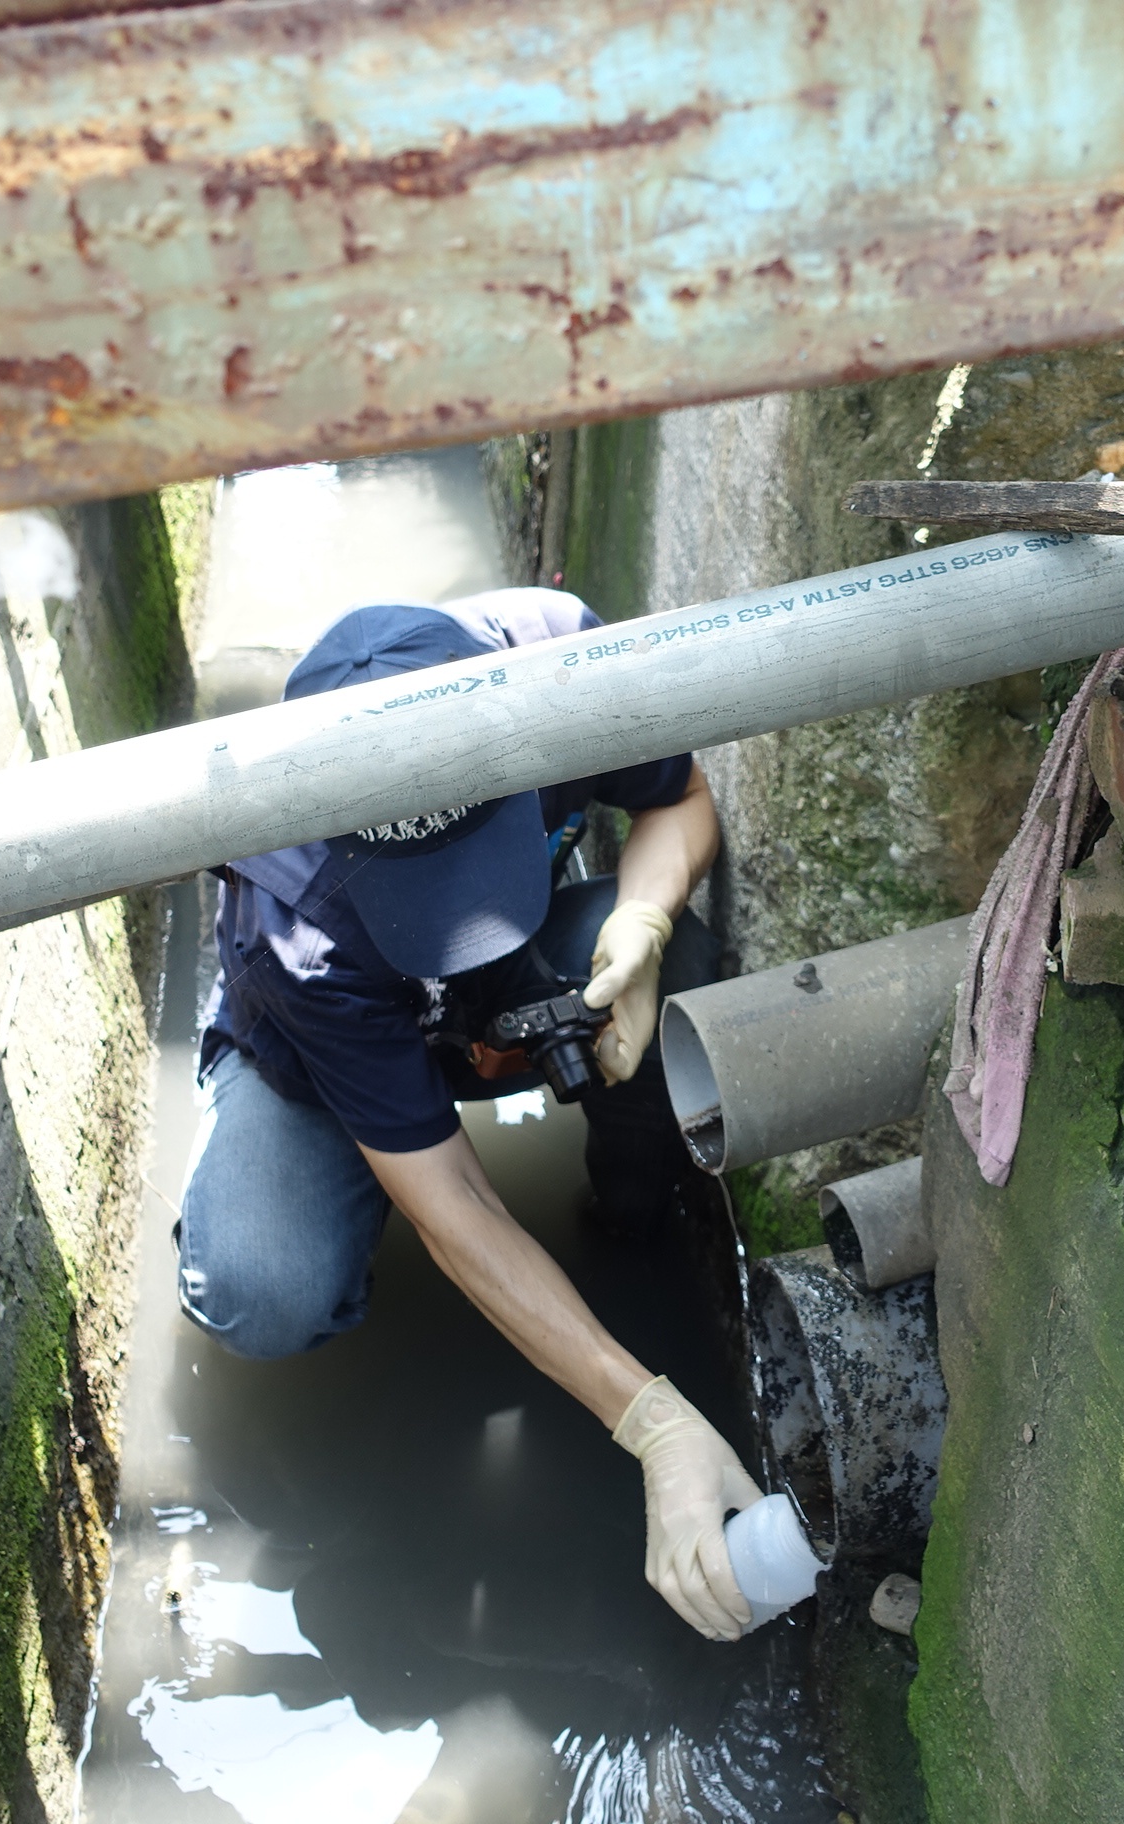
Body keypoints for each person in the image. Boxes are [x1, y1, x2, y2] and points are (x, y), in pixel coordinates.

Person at [176, 587, 761, 1641]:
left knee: (691, 991)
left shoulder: (561, 665)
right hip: (322, 1049)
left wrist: (643, 918)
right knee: (262, 1287)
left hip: (510, 985)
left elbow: (681, 799)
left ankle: (628, 1218)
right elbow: (458, 1212)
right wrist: (653, 1423)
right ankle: (344, 1194)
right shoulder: (294, 909)